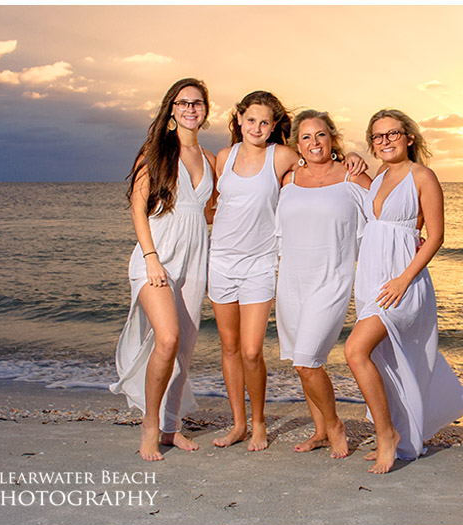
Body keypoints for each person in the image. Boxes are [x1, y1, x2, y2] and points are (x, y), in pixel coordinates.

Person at [209, 91, 367, 451]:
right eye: (251, 120)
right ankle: (238, 424)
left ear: (275, 126)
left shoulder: (282, 157)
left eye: (265, 122)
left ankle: (261, 423)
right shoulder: (223, 157)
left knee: (252, 351)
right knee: (230, 348)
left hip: (261, 263)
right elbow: (219, 205)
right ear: (238, 119)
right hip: (221, 260)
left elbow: (319, 160)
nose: (257, 127)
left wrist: (352, 157)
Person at [344, 109, 463, 474]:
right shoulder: (379, 177)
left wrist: (404, 279)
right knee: (384, 359)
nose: (385, 141)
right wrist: (351, 158)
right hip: (372, 278)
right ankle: (399, 434)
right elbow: (342, 167)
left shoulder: (423, 176)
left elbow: (435, 236)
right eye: (377, 136)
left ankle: (386, 435)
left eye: (392, 134)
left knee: (355, 351)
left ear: (409, 137)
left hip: (403, 282)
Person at [110, 78, 216, 461]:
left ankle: (172, 428)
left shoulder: (211, 159)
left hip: (194, 261)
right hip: (155, 259)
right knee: (167, 338)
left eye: (198, 102)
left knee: (184, 349)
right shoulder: (154, 152)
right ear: (171, 109)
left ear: (206, 110)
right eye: (183, 102)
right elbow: (138, 208)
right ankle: (150, 426)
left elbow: (208, 212)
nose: (191, 108)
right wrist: (151, 257)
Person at [275, 110, 372, 459]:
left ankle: (334, 426)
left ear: (332, 139)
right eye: (305, 137)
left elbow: (387, 211)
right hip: (291, 282)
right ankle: (319, 431)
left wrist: (416, 235)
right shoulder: (287, 179)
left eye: (320, 135)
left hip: (332, 279)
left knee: (306, 360)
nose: (313, 143)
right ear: (296, 144)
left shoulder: (352, 177)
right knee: (303, 360)